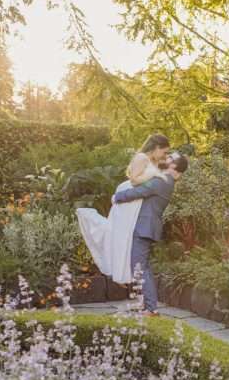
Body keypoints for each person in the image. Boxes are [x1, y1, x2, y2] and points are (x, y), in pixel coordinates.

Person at [76, 135, 177, 287]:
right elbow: (134, 180)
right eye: (164, 151)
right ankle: (89, 218)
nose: (165, 155)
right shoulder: (141, 157)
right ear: (156, 148)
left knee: (125, 240)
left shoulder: (154, 162)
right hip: (129, 196)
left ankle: (132, 283)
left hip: (136, 202)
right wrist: (154, 174)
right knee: (116, 232)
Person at [113, 151, 188, 316]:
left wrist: (117, 196)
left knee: (139, 267)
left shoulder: (164, 180)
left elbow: (141, 191)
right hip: (145, 227)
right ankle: (146, 304)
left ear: (175, 165)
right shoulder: (164, 179)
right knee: (140, 267)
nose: (167, 157)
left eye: (171, 157)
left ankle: (150, 308)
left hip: (144, 228)